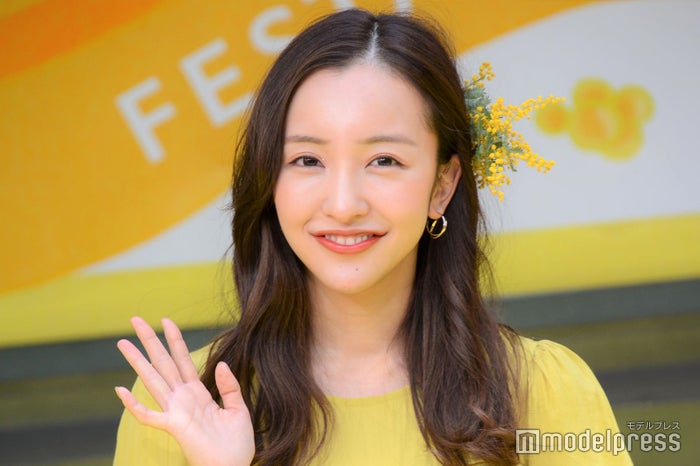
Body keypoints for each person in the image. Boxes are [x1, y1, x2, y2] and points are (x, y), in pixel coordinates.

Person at [113, 8, 632, 466]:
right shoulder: (185, 403)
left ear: (442, 185)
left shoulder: (541, 391)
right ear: (269, 180)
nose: (343, 205)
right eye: (307, 160)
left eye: (384, 160)